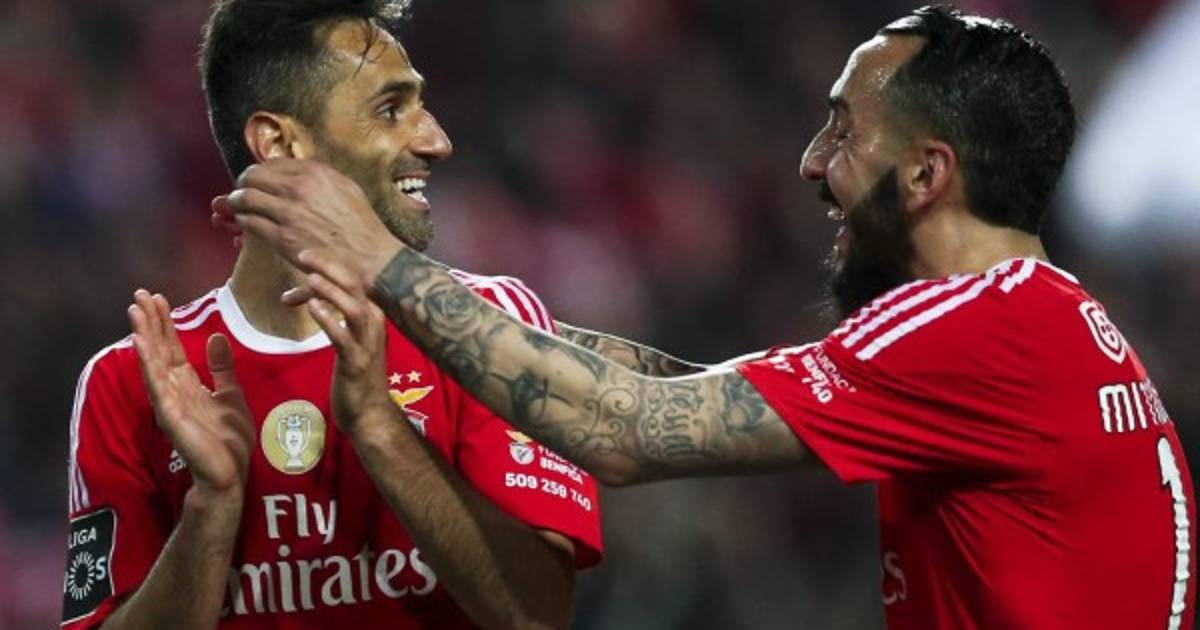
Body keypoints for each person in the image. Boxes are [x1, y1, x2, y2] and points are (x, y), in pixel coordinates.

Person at [223, 5, 1197, 629]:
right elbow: (687, 387)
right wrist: (423, 303)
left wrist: (376, 257)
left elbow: (627, 430)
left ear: (925, 175)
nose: (812, 162)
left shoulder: (978, 330)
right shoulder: (1030, 318)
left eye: (844, 128)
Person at [62, 1, 601, 628]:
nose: (435, 141)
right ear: (280, 143)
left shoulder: (489, 323)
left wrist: (380, 431)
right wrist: (211, 508)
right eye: (390, 110)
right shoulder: (135, 381)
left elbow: (539, 615)